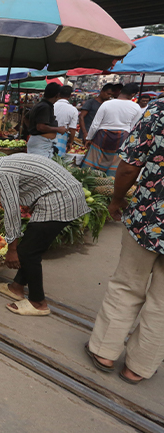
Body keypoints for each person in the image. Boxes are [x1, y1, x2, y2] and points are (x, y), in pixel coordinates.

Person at [0, 141, 90, 316]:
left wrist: (12, 249)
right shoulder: (1, 164)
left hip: (59, 200)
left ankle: (38, 302)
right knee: (30, 245)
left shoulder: (0, 173)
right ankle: (16, 287)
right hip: (63, 194)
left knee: (28, 252)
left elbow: (11, 212)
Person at [85, 98, 164, 384]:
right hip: (151, 219)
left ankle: (104, 351)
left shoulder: (159, 109)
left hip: (150, 218)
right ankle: (139, 367)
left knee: (127, 285)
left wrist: (117, 200)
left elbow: (130, 165)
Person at [83, 83, 142, 176]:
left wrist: (89, 138)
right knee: (115, 165)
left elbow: (95, 124)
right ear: (133, 94)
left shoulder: (107, 104)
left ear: (120, 92)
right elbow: (134, 128)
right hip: (122, 137)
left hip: (102, 136)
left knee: (92, 164)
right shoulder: (136, 107)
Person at [25, 83, 68, 158]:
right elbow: (40, 127)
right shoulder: (45, 107)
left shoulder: (41, 105)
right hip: (40, 144)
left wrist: (32, 129)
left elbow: (26, 117)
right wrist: (58, 129)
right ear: (57, 95)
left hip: (40, 143)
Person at [52, 85, 79, 156]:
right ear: (70, 96)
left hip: (48, 134)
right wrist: (70, 142)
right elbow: (73, 129)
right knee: (58, 159)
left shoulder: (52, 105)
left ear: (58, 94)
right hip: (62, 136)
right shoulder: (73, 110)